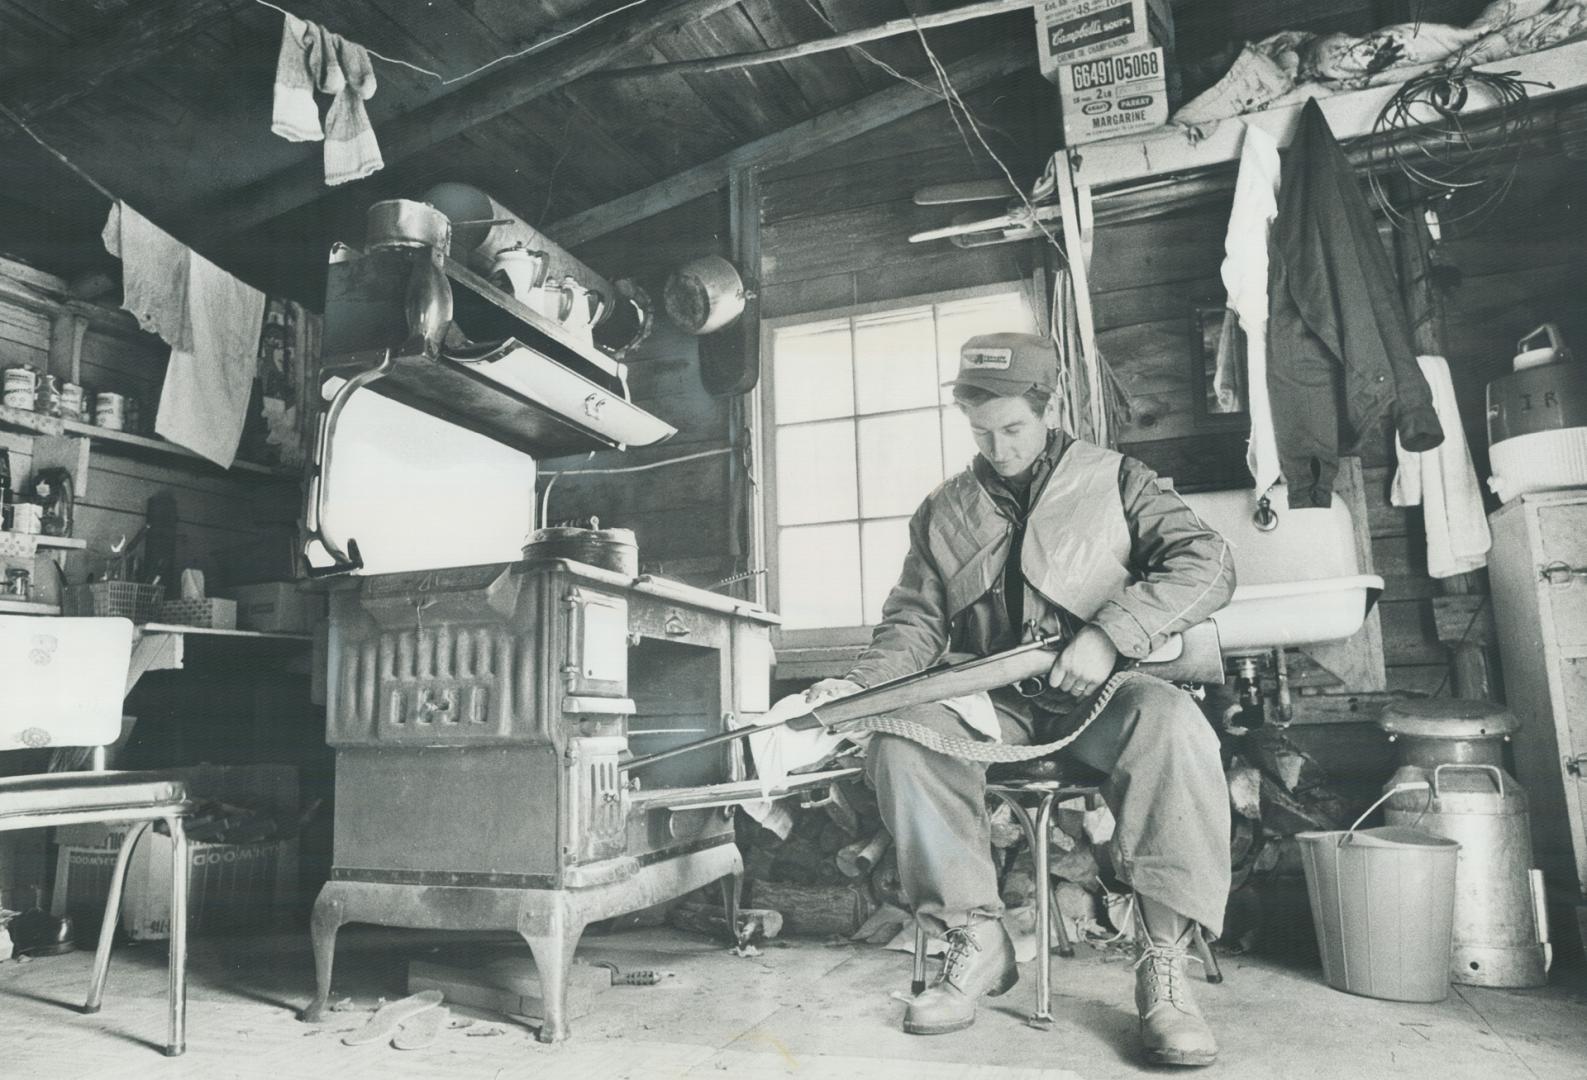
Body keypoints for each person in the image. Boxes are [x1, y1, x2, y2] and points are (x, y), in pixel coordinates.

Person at [805, 332, 1235, 1067]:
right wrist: (857, 685)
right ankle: (973, 939)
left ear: (1049, 408)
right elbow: (911, 624)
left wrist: (1110, 633)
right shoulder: (942, 511)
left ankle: (1163, 968)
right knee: (899, 737)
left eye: (1013, 429)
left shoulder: (1119, 479)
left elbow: (1209, 563)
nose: (998, 448)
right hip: (993, 707)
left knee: (1172, 724)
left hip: (1105, 694)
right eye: (980, 432)